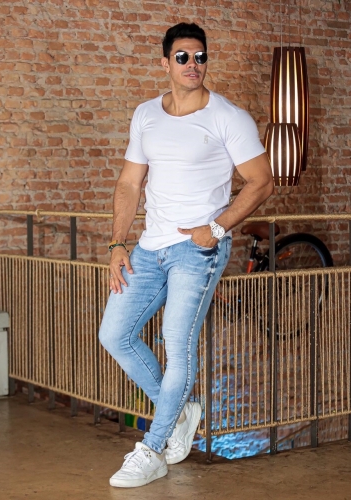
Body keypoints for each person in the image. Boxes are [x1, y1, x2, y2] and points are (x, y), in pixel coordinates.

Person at [98, 22, 273, 488]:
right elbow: (129, 183)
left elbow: (262, 181)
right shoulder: (146, 115)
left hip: (198, 250)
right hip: (149, 247)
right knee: (114, 334)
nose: (192, 64)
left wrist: (215, 229)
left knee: (178, 345)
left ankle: (152, 449)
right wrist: (117, 243)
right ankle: (179, 410)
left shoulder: (228, 117)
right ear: (165, 63)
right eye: (182, 57)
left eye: (200, 56)